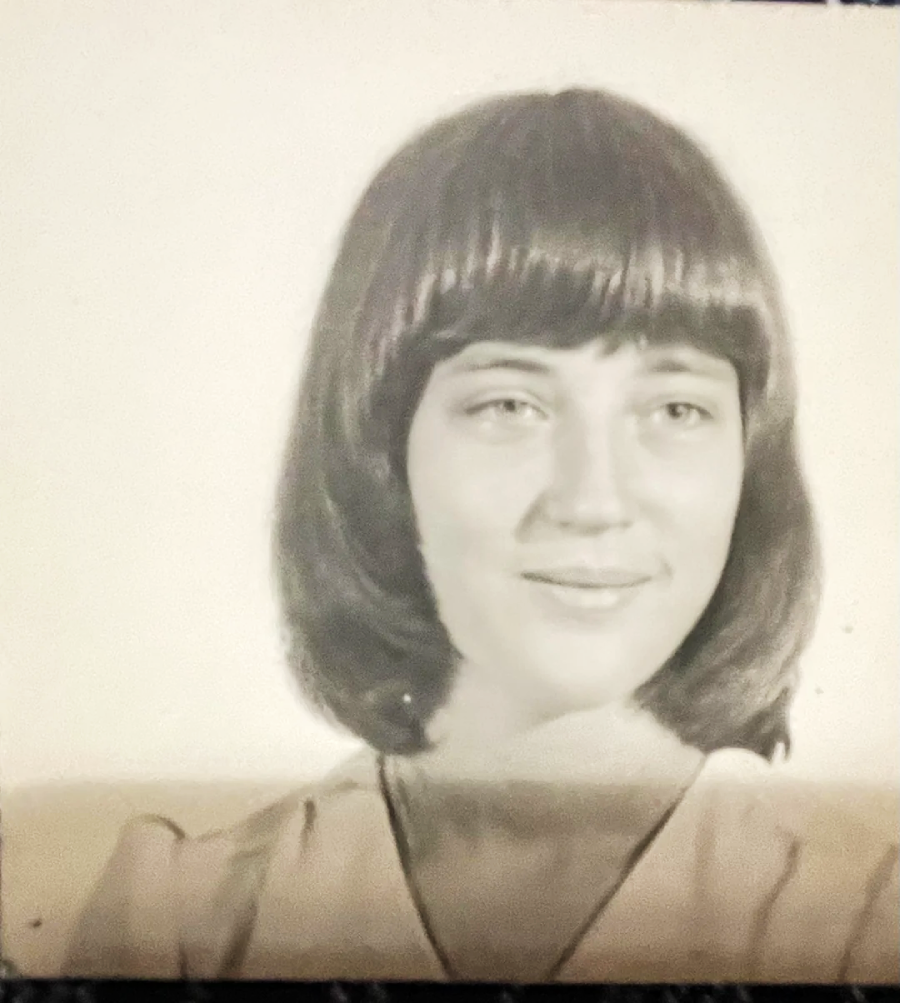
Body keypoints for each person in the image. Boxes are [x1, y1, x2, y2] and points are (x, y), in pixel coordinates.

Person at [63, 89, 898, 984]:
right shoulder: (183, 923)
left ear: (749, 462)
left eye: (675, 406)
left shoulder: (865, 921)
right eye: (510, 403)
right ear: (383, 448)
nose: (592, 499)